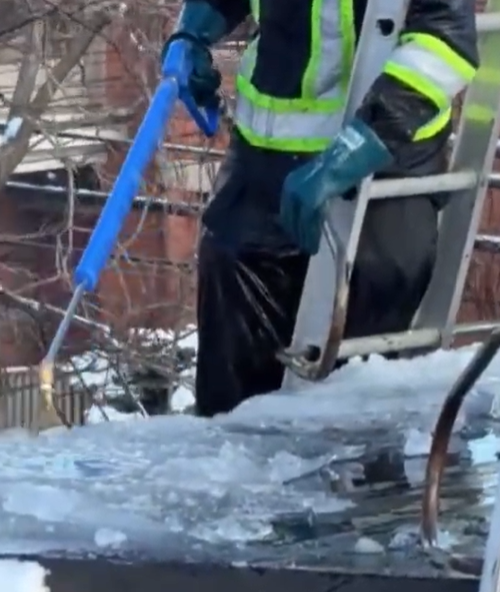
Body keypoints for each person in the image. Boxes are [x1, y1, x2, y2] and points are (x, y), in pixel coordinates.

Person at [167, 0, 479, 417]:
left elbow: (445, 44)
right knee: (232, 419)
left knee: (348, 414)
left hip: (378, 173)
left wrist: (351, 152)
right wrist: (191, 33)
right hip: (263, 165)